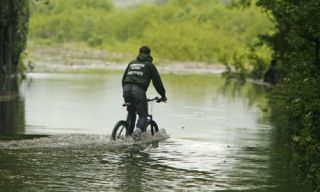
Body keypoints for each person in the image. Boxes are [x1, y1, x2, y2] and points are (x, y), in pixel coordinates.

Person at [122, 46, 167, 139]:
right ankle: (137, 132)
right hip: (138, 91)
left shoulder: (131, 63)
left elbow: (123, 79)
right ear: (149, 54)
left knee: (131, 112)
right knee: (143, 115)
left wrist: (126, 93)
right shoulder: (149, 65)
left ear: (139, 53)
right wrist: (163, 95)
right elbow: (157, 82)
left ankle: (127, 134)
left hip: (126, 89)